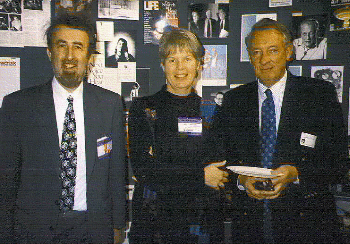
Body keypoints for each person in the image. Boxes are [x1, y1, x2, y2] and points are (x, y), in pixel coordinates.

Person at [204, 18, 348, 243]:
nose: (264, 60)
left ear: (289, 52)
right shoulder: (233, 101)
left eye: (272, 50)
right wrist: (241, 180)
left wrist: (297, 174)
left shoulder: (319, 95)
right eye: (257, 52)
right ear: (250, 57)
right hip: (250, 224)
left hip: (308, 224)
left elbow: (338, 162)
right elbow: (219, 159)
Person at [0, 12, 126, 243]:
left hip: (93, 228)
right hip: (34, 230)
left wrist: (118, 225)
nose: (70, 55)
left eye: (78, 47)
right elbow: (6, 180)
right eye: (62, 46)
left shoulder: (111, 105)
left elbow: (116, 172)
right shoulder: (17, 106)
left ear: (90, 56)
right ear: (50, 53)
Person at [128, 28, 215, 243]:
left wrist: (166, 164)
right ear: (162, 65)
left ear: (198, 65)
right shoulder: (144, 109)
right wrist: (199, 175)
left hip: (198, 221)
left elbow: (217, 172)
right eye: (172, 60)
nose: (180, 67)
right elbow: (144, 170)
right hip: (154, 224)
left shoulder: (211, 111)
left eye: (187, 59)